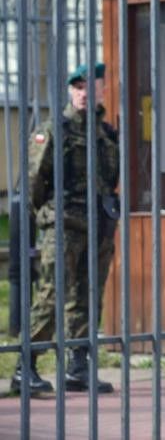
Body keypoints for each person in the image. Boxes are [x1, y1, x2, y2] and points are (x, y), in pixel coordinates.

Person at [12, 62, 120, 395]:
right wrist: (50, 215)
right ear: (71, 91)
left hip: (98, 227)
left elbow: (110, 180)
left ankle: (78, 367)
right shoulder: (54, 130)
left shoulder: (106, 134)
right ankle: (25, 367)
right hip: (63, 227)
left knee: (87, 297)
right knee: (51, 295)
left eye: (90, 86)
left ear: (102, 90)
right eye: (78, 87)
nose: (84, 93)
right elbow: (34, 182)